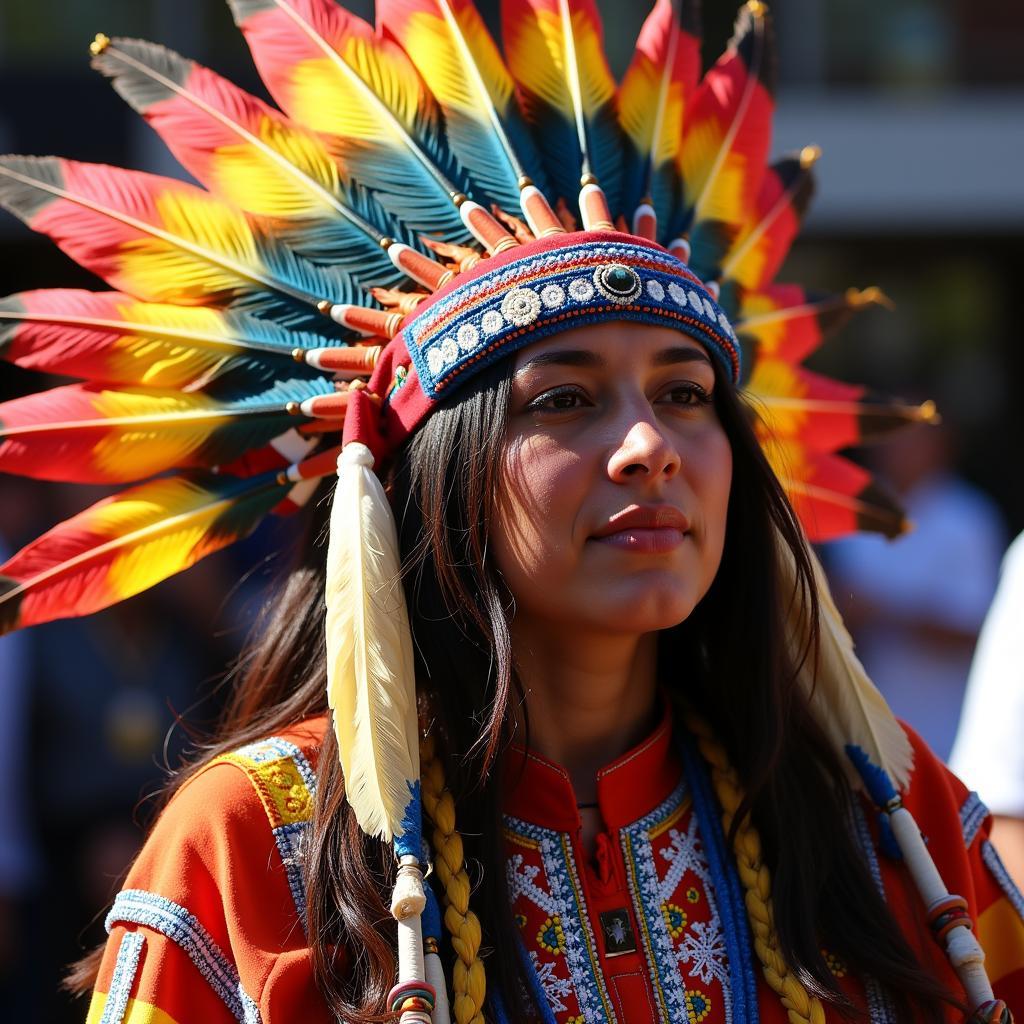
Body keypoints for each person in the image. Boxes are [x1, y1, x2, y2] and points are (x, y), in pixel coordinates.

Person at [0, 1, 1021, 1022]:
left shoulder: (883, 816)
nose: (650, 446)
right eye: (564, 399)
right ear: (434, 479)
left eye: (684, 394)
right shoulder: (256, 847)